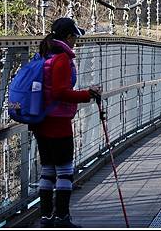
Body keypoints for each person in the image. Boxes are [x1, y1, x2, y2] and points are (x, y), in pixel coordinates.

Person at [31, 17, 102, 228]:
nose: (75, 42)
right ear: (69, 37)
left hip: (41, 121)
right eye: (75, 37)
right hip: (58, 122)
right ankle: (62, 218)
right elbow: (61, 92)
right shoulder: (62, 58)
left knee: (47, 170)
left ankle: (46, 218)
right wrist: (87, 94)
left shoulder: (43, 54)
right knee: (64, 171)